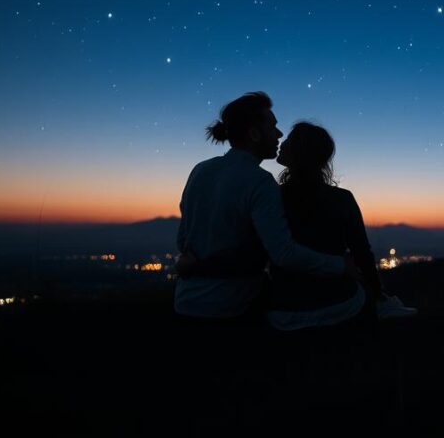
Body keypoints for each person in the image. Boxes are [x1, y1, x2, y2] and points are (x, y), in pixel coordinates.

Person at [174, 92, 359, 323]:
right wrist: (340, 265)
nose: (279, 134)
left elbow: (183, 241)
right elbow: (283, 253)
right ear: (254, 134)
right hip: (229, 306)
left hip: (185, 301)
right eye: (272, 127)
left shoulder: (200, 170)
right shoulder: (259, 181)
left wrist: (196, 266)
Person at [267, 121, 417, 331]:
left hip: (285, 307)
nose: (282, 143)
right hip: (338, 303)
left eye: (289, 141)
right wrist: (378, 294)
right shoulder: (342, 199)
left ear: (301, 152)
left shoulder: (270, 197)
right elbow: (362, 253)